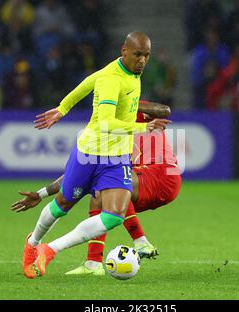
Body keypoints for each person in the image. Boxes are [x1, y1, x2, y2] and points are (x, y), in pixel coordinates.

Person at [21, 31, 171, 279]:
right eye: (138, 55)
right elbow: (105, 124)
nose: (143, 60)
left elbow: (86, 83)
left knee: (113, 216)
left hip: (117, 158)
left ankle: (49, 250)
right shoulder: (112, 78)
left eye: (147, 55)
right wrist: (144, 128)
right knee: (62, 206)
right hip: (90, 154)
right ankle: (33, 242)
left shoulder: (130, 72)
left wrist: (62, 109)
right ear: (124, 50)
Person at [12, 102, 182, 275]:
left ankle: (140, 242)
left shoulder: (133, 109)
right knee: (100, 190)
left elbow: (165, 111)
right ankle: (93, 264)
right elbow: (78, 175)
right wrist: (42, 194)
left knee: (108, 185)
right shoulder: (104, 131)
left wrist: (131, 104)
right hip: (142, 178)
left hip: (163, 173)